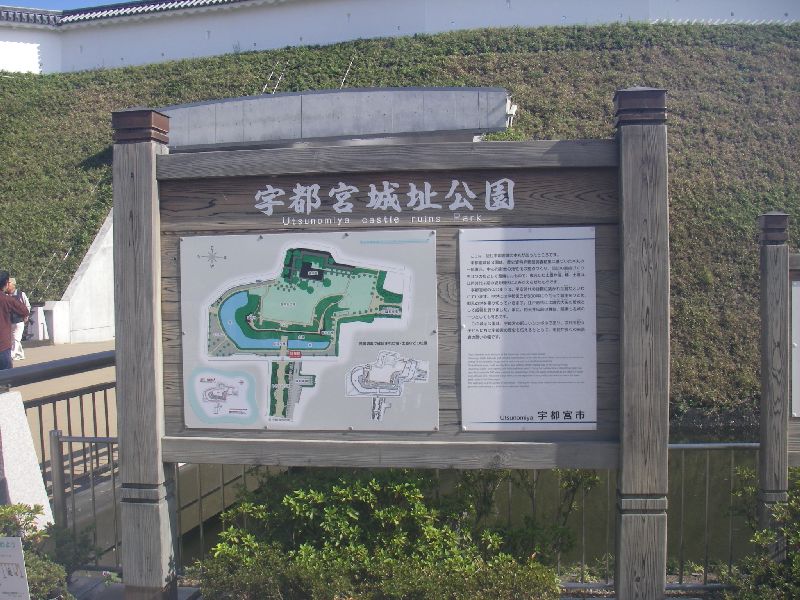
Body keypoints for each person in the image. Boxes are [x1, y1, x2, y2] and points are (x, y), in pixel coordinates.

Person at [0, 271, 29, 370]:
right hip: (2, 344)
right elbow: (24, 310)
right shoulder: (6, 299)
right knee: (6, 375)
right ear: (6, 284)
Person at [7, 277, 30, 360]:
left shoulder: (21, 294)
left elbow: (27, 305)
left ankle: (11, 355)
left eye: (9, 283)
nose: (7, 285)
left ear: (13, 284)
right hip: (9, 321)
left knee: (16, 338)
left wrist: (26, 316)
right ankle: (20, 354)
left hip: (19, 320)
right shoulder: (5, 295)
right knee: (13, 339)